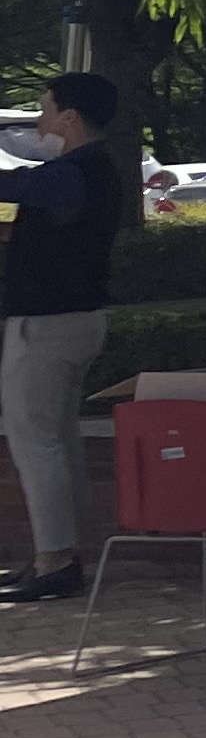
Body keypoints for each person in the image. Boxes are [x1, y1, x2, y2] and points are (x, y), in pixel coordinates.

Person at [0, 72, 127, 604]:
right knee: (59, 438)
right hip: (77, 319)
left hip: (46, 324)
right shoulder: (98, 170)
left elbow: (17, 186)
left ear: (69, 117)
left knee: (36, 441)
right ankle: (60, 555)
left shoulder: (73, 172)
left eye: (45, 110)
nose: (39, 122)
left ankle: (54, 560)